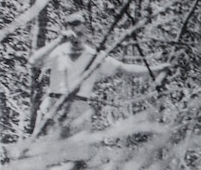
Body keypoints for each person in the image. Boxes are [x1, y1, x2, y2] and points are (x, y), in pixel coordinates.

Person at [29, 10, 170, 139]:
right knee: (42, 154)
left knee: (76, 158)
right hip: (52, 107)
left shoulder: (93, 56)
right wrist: (58, 40)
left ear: (86, 34)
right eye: (73, 34)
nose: (77, 38)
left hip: (78, 109)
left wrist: (157, 69)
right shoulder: (57, 51)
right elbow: (34, 61)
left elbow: (123, 68)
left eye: (81, 34)